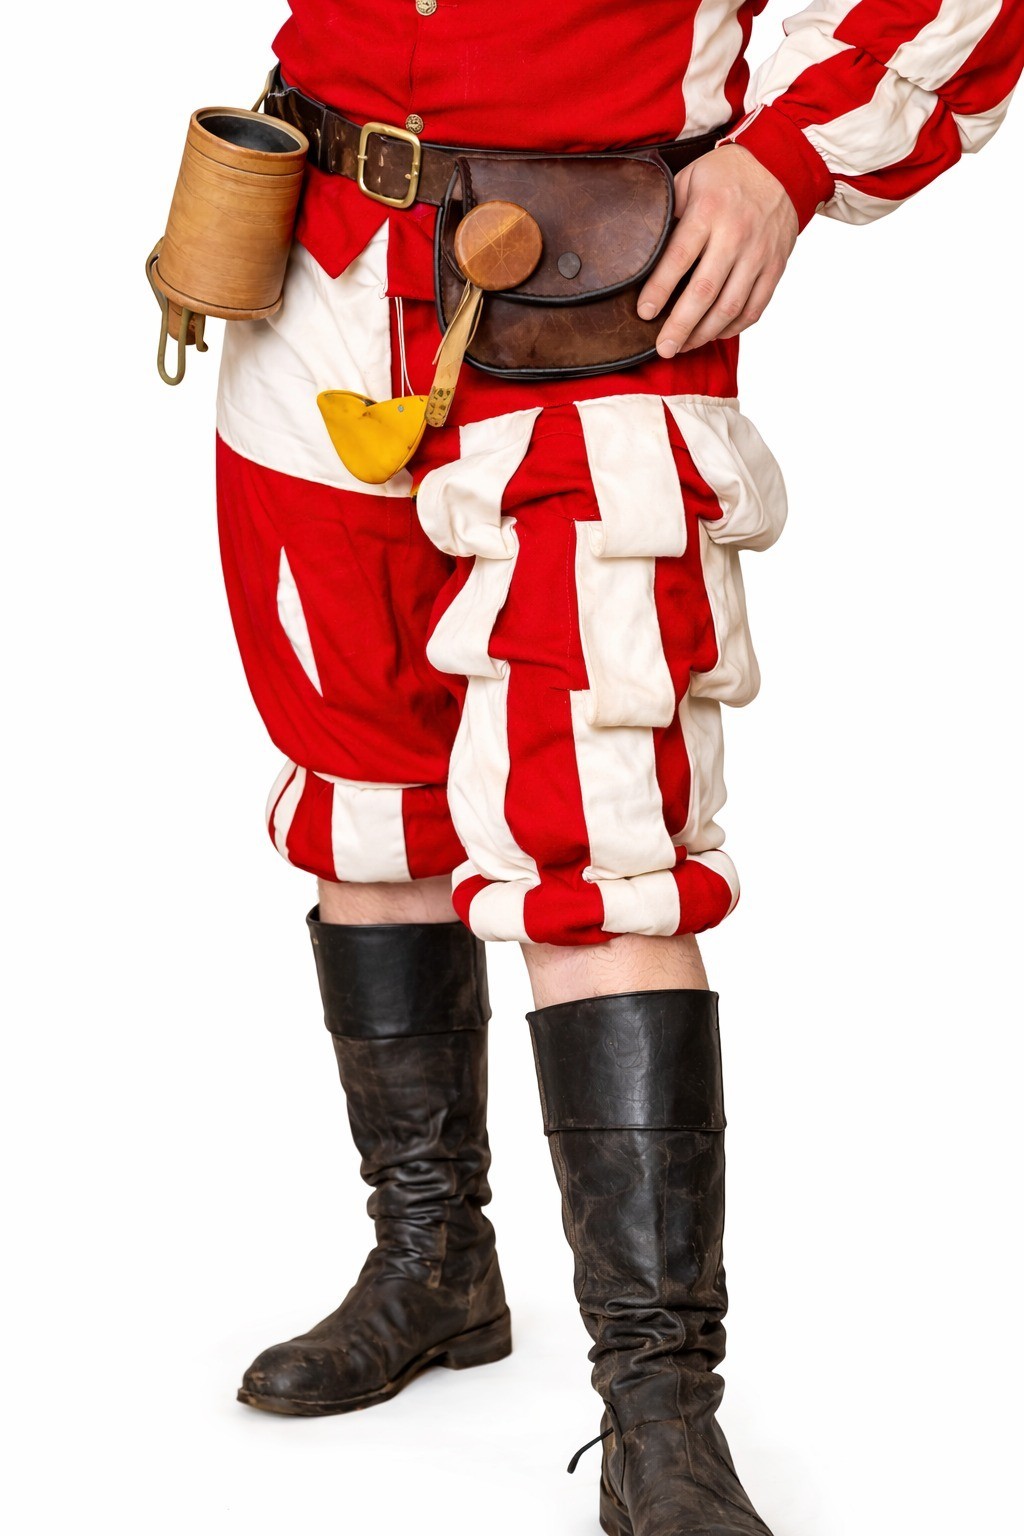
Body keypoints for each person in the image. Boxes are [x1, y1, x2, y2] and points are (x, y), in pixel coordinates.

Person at [212, 5, 1023, 1533]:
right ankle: (433, 1263)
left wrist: (783, 161)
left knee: (597, 823)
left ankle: (661, 1411)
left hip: (595, 290)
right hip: (316, 261)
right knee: (363, 781)